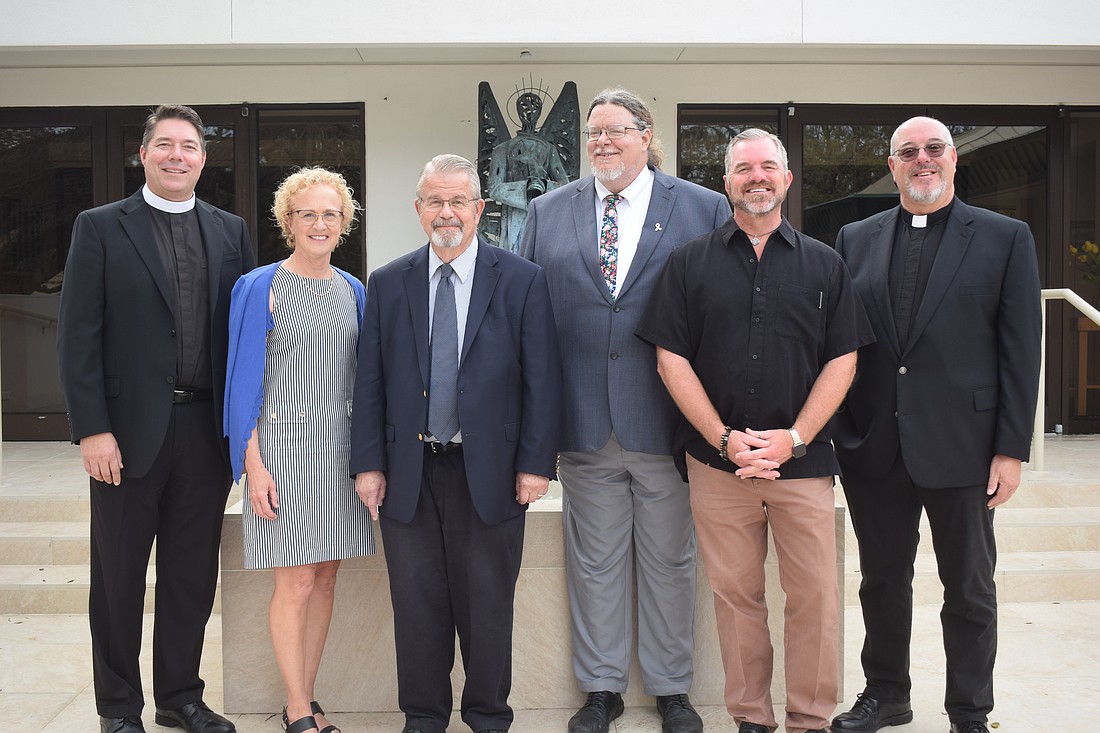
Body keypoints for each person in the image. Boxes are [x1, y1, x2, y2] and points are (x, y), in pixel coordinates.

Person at [637, 129, 875, 733]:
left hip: (803, 465)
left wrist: (793, 436)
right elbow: (671, 358)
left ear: (787, 180)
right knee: (737, 599)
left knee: (816, 598)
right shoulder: (688, 263)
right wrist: (723, 437)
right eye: (744, 169)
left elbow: (843, 359)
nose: (757, 177)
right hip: (719, 466)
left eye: (769, 167)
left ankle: (809, 719)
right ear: (727, 183)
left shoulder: (826, 263)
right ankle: (751, 719)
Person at [520, 87, 731, 733]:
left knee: (671, 560)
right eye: (593, 133)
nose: (603, 142)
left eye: (616, 130)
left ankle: (671, 689)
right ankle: (602, 688)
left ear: (646, 135)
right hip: (582, 422)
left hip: (668, 422)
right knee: (594, 562)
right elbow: (528, 322)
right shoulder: (547, 211)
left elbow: (722, 314)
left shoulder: (702, 207)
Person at [829, 117, 1042, 733]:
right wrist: (844, 432)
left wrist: (1010, 448)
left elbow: (1019, 351)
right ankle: (887, 694)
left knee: (970, 589)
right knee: (882, 582)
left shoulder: (1006, 237)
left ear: (952, 160)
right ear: (892, 165)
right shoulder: (856, 237)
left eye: (934, 149)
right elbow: (842, 341)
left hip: (966, 449)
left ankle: (969, 711)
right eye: (908, 152)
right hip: (878, 446)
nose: (922, 160)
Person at [57, 104, 255, 733]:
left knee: (192, 578)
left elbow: (244, 337)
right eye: (164, 144)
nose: (177, 155)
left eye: (189, 146)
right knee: (117, 578)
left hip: (204, 433)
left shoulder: (231, 231)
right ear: (143, 154)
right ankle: (118, 708)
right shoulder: (100, 227)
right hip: (124, 436)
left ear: (203, 158)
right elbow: (77, 335)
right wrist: (92, 427)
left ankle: (180, 696)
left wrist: (246, 432)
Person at [349, 154, 562, 733]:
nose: (447, 213)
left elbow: (542, 379)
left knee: (488, 606)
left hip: (490, 471)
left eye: (458, 201)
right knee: (416, 608)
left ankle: (489, 716)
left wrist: (537, 464)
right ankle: (423, 717)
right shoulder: (388, 283)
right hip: (408, 471)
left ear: (479, 209)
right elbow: (370, 380)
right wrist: (368, 464)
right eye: (435, 202)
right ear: (419, 209)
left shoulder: (520, 279)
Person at [223, 167, 375, 733]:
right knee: (297, 582)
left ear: (345, 224)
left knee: (327, 578)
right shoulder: (259, 286)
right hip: (282, 454)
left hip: (339, 456)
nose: (319, 223)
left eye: (330, 214)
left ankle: (308, 699)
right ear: (288, 221)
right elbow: (242, 380)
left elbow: (365, 380)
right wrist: (252, 463)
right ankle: (295, 708)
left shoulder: (354, 291)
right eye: (306, 213)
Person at [486, 91, 571, 252]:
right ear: (517, 110)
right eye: (524, 106)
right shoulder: (502, 149)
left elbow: (564, 186)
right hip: (513, 214)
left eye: (535, 107)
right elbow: (494, 188)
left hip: (543, 214)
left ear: (540, 111)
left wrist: (543, 186)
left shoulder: (549, 150)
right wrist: (526, 188)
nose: (529, 111)